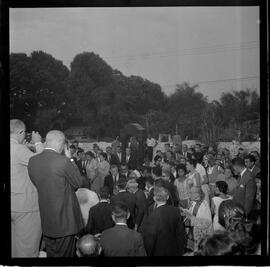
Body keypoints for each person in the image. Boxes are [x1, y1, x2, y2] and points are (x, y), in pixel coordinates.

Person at [28, 130, 90, 257]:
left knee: (51, 253)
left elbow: (38, 183)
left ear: (46, 142)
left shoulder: (32, 161)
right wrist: (70, 158)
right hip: (65, 221)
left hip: (46, 219)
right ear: (62, 144)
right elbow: (78, 182)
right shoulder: (63, 161)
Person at [10, 119, 44, 257]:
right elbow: (42, 163)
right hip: (25, 207)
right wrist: (38, 142)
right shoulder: (18, 149)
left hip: (13, 204)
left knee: (14, 246)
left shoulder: (17, 147)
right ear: (20, 132)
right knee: (27, 249)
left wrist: (24, 147)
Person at [140, 186, 186, 256]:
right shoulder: (176, 211)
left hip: (157, 252)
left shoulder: (152, 216)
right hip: (174, 251)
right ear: (167, 197)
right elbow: (180, 234)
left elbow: (149, 241)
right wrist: (180, 251)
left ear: (154, 198)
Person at [181, 186, 213, 252]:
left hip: (202, 236)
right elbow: (191, 212)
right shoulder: (193, 202)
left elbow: (205, 223)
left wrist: (190, 217)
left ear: (197, 194)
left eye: (191, 193)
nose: (189, 194)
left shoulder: (204, 205)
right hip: (194, 233)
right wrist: (184, 211)